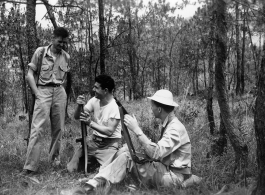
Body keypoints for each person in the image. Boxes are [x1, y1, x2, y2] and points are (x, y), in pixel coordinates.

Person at [75, 89, 201, 194]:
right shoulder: (168, 123)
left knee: (127, 157)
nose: (151, 108)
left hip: (173, 176)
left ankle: (93, 184)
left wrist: (137, 129)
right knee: (125, 150)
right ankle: (98, 179)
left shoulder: (175, 128)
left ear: (159, 110)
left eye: (152, 105)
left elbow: (155, 153)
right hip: (166, 169)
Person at [21, 27, 70, 175]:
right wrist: (37, 93)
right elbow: (29, 75)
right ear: (53, 38)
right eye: (59, 41)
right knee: (37, 128)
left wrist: (63, 94)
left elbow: (65, 78)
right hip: (43, 90)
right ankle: (29, 166)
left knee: (59, 128)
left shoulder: (66, 56)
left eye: (64, 42)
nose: (61, 45)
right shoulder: (40, 52)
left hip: (59, 91)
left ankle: (54, 160)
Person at [67, 75, 122, 173]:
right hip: (94, 143)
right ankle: (93, 162)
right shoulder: (94, 100)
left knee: (108, 173)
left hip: (109, 145)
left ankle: (99, 164)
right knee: (71, 168)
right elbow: (77, 116)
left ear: (105, 90)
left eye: (96, 87)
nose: (93, 89)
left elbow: (109, 131)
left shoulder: (114, 107)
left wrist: (90, 123)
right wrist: (80, 106)